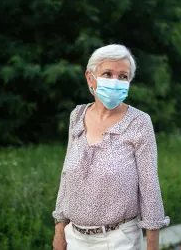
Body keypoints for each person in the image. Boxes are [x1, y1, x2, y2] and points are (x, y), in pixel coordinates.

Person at [52, 44, 169, 250]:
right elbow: (66, 176)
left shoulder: (139, 122)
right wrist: (59, 229)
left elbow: (149, 187)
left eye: (123, 77)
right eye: (107, 73)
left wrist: (152, 246)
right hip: (74, 238)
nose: (115, 81)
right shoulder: (77, 116)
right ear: (90, 78)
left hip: (119, 240)